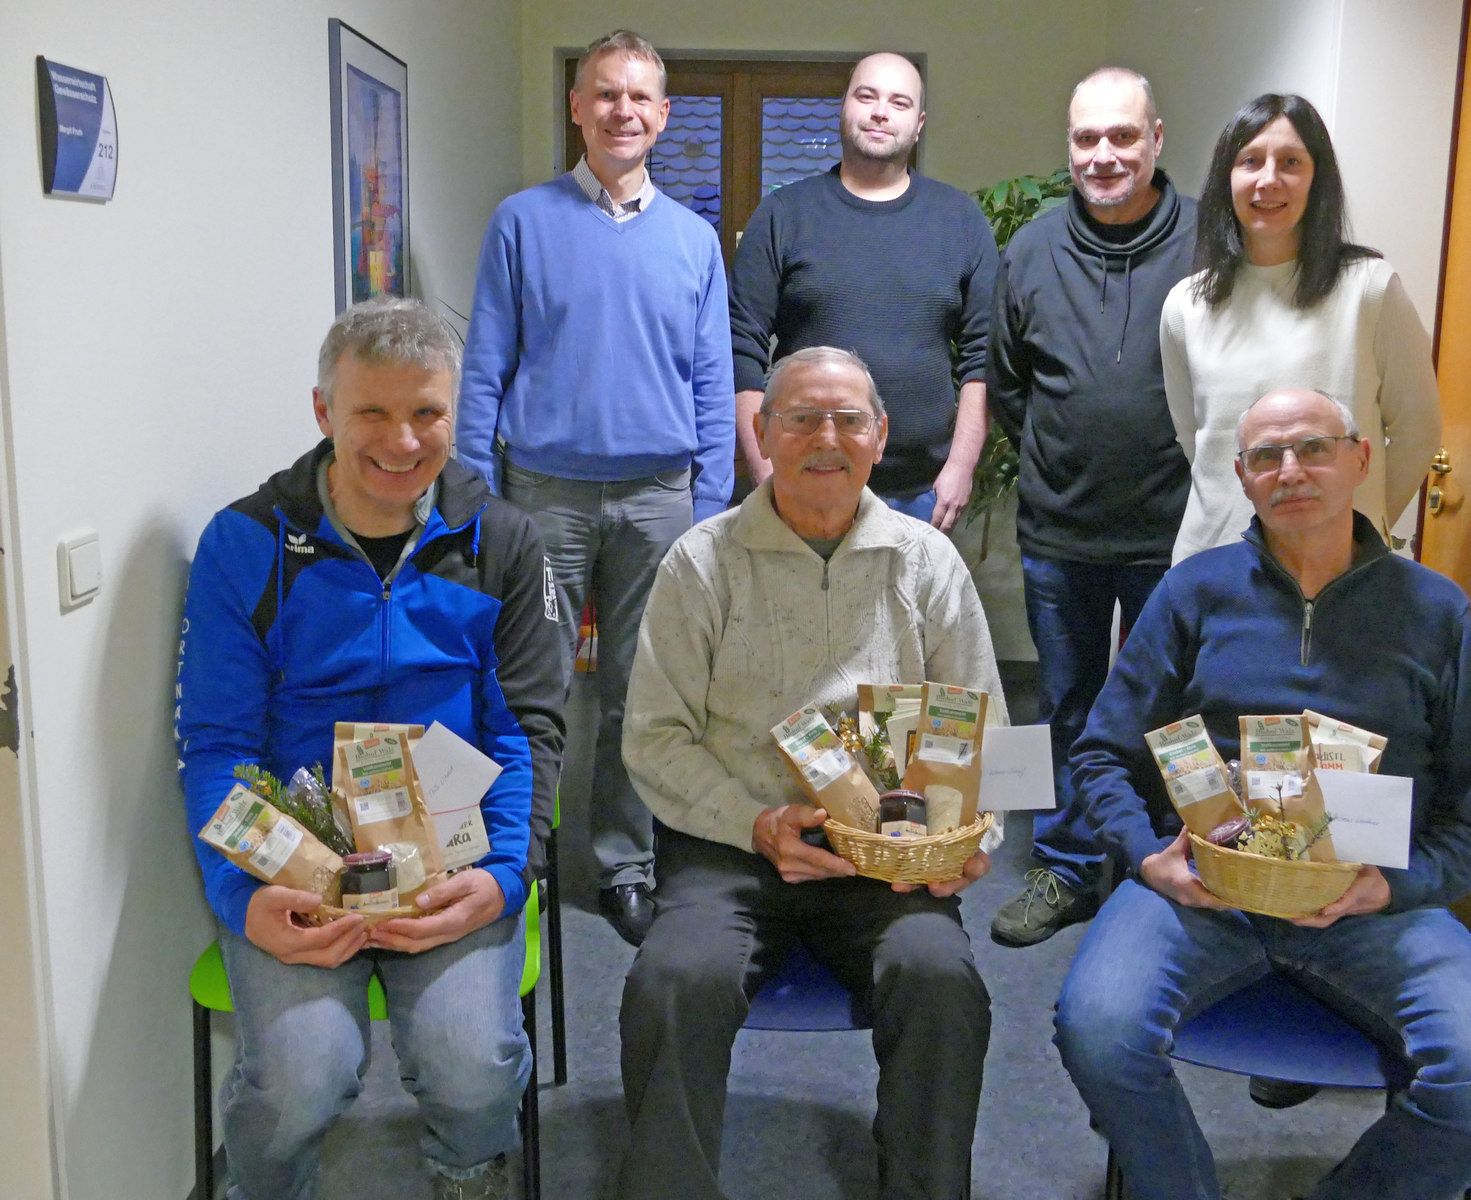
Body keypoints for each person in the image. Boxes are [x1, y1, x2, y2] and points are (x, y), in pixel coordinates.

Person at [1052, 388, 1471, 1200]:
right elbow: (1102, 754)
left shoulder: (1436, 610)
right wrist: (1150, 861)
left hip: (1372, 903)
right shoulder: (1193, 593)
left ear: (1360, 459)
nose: (1291, 471)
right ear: (1243, 480)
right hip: (1204, 890)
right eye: (1266, 457)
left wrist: (1394, 885)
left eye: (1313, 448)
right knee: (1098, 1031)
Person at [176, 298, 566, 1200]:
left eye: (427, 412)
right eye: (372, 414)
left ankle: (467, 1171)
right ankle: (264, 1188)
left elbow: (524, 733)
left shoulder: (504, 543)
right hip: (298, 865)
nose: (403, 440)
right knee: (302, 1074)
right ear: (323, 413)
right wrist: (245, 895)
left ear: (454, 411)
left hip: (452, 857)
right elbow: (217, 745)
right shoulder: (245, 545)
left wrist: (504, 877)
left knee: (473, 1065)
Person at [617, 346, 1007, 1200]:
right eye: (800, 418)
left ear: (881, 437)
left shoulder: (927, 562)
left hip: (886, 854)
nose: (824, 438)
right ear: (762, 433)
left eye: (847, 419)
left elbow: (984, 730)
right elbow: (653, 737)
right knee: (673, 982)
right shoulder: (699, 562)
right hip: (729, 845)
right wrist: (752, 822)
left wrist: (970, 835)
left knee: (941, 984)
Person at [458, 29, 734, 945]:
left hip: (659, 498)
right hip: (544, 498)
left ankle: (626, 862)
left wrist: (711, 504)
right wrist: (467, 491)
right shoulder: (523, 222)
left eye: (640, 98)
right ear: (577, 108)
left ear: (663, 116)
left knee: (640, 690)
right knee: (524, 683)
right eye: (604, 94)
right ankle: (515, 856)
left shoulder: (693, 240)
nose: (623, 111)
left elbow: (710, 377)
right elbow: (485, 367)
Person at [987, 67, 1197, 946]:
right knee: (1066, 702)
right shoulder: (1031, 250)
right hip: (1062, 529)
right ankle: (1069, 868)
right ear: (1068, 148)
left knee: (1166, 710)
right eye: (1085, 139)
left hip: (1175, 532)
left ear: (1156, 140)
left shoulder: (1209, 246)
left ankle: (1151, 861)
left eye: (1121, 136)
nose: (1103, 154)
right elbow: (1007, 384)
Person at [1162, 93, 1441, 564]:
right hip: (1212, 560)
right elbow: (1197, 441)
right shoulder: (1186, 305)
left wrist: (1358, 523)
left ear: (1317, 180)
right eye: (1250, 161)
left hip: (1339, 568)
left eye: (1291, 162)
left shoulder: (1368, 289)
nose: (1268, 180)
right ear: (1226, 179)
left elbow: (1418, 430)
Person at [729, 52, 997, 530]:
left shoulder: (959, 220)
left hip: (924, 494)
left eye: (899, 102)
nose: (880, 112)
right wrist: (766, 469)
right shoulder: (783, 214)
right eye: (866, 96)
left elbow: (983, 357)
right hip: (803, 485)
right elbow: (739, 348)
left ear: (919, 124)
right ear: (843, 107)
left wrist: (960, 468)